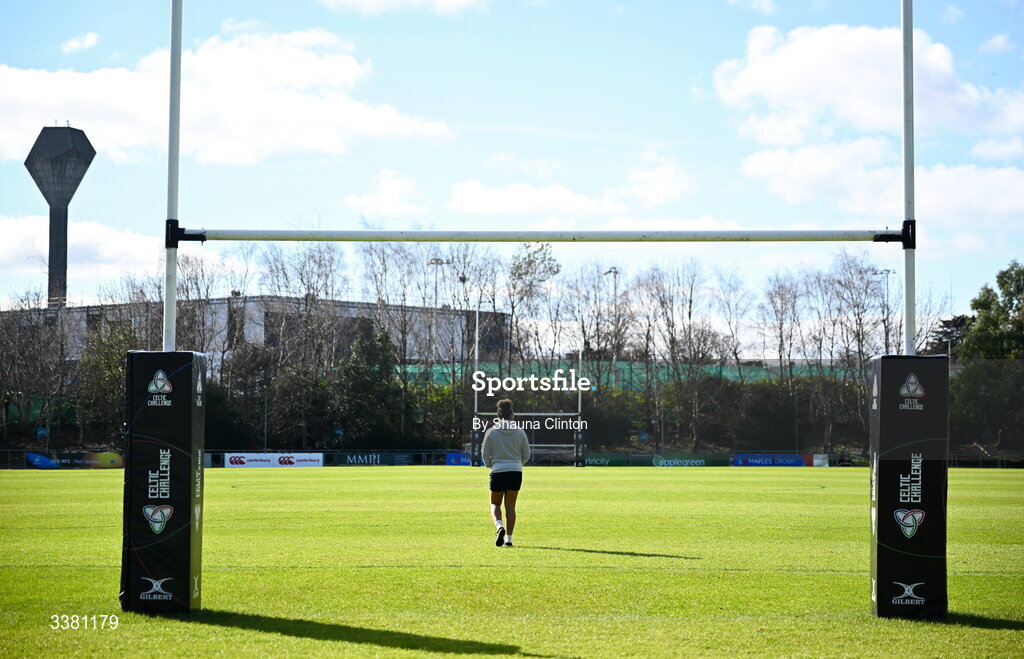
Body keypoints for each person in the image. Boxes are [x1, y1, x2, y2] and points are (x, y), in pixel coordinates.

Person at [481, 398, 530, 547]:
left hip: (498, 471)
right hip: (515, 471)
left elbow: (484, 454)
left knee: (495, 504)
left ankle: (499, 526)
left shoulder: (491, 432)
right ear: (512, 415)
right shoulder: (520, 432)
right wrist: (517, 464)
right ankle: (509, 539)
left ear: (498, 415)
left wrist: (491, 465)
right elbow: (526, 454)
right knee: (511, 506)